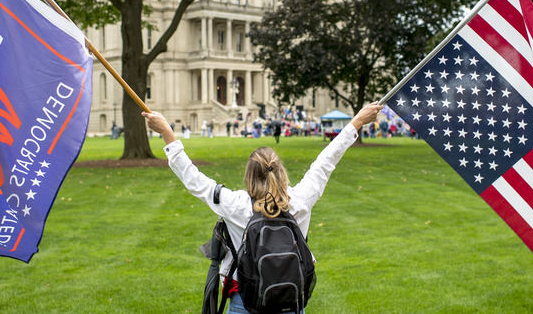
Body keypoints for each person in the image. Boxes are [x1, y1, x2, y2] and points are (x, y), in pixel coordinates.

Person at [142, 102, 382, 313]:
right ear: (280, 171)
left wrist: (166, 132)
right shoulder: (299, 200)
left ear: (248, 175)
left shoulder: (235, 205)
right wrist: (357, 121)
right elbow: (326, 161)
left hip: (244, 301)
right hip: (290, 299)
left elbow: (193, 179)